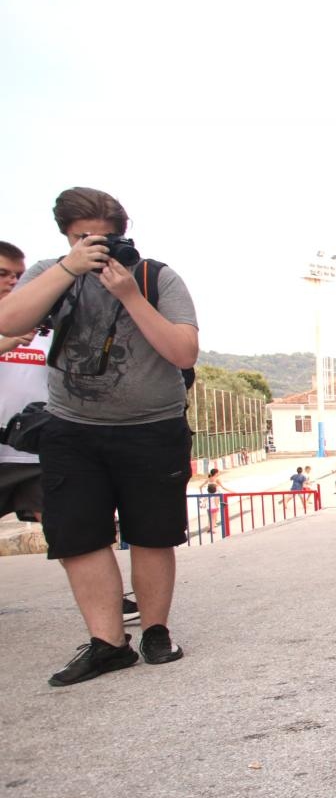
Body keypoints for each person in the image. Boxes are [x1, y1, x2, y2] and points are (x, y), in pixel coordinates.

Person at [0, 188, 198, 686]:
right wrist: (68, 268)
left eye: (108, 238)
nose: (98, 247)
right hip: (72, 427)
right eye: (83, 238)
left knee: (154, 533)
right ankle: (107, 643)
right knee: (78, 536)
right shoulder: (51, 272)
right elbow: (8, 321)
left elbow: (183, 353)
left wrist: (128, 295)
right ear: (66, 237)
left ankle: (155, 631)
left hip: (152, 427)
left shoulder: (154, 276)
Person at [0, 240, 47, 524]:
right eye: (3, 273)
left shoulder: (44, 321)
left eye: (19, 274)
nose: (14, 281)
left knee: (69, 539)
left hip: (36, 451)